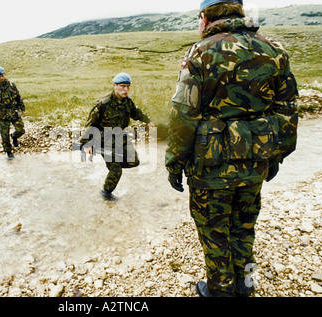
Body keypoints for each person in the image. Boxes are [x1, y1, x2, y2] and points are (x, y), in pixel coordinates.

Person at [165, 0, 299, 297]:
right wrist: (277, 154)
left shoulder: (200, 52)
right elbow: (287, 108)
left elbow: (183, 114)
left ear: (206, 16)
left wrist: (174, 162)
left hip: (211, 167)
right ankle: (246, 282)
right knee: (244, 226)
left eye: (198, 19)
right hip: (256, 162)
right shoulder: (274, 49)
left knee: (215, 232)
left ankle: (220, 291)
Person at [80, 73, 155, 200]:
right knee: (116, 171)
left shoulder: (127, 101)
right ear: (115, 85)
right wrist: (86, 143)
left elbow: (135, 112)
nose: (125, 90)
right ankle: (105, 193)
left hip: (121, 138)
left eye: (128, 87)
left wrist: (148, 121)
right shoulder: (103, 104)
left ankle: (114, 164)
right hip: (105, 140)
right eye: (122, 86)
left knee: (134, 161)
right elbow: (90, 125)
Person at [0, 66, 26, 160]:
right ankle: (8, 151)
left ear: (4, 74)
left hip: (13, 112)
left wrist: (22, 109)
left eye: (2, 75)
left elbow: (18, 97)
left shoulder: (12, 85)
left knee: (21, 129)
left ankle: (14, 136)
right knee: (4, 135)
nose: (1, 77)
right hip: (2, 114)